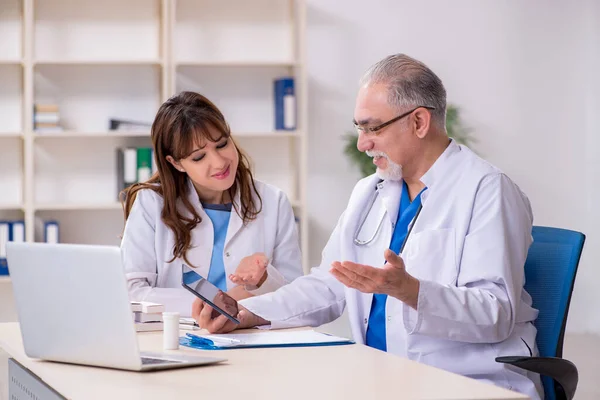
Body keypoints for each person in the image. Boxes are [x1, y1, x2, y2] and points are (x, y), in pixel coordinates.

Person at [192, 54, 544, 400]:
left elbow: (495, 312)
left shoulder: (486, 190)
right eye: (359, 129)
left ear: (419, 122)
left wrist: (411, 291)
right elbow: (328, 285)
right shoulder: (370, 191)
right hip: (381, 378)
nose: (362, 144)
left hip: (466, 382)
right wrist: (245, 314)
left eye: (373, 128)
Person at [120, 91, 303, 315]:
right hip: (174, 339)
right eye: (198, 157)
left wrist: (263, 279)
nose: (218, 163)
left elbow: (296, 297)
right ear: (176, 163)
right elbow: (131, 293)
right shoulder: (151, 203)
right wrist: (223, 302)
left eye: (222, 144)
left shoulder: (273, 202)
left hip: (250, 339)